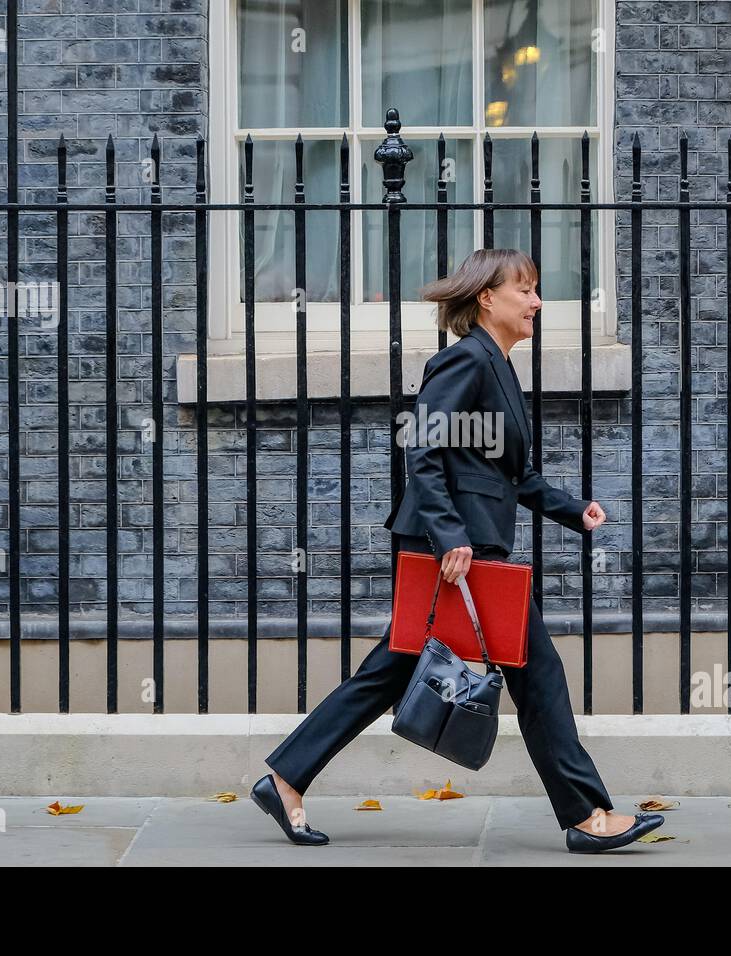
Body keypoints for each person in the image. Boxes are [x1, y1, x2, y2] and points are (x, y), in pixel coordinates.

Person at [250, 248, 664, 853]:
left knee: (395, 667)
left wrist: (575, 509)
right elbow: (422, 450)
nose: (537, 303)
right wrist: (450, 537)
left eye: (538, 291)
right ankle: (587, 815)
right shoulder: (463, 361)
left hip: (465, 544)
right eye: (526, 290)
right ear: (487, 299)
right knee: (536, 670)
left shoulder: (496, 366)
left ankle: (286, 777)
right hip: (452, 547)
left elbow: (513, 476)